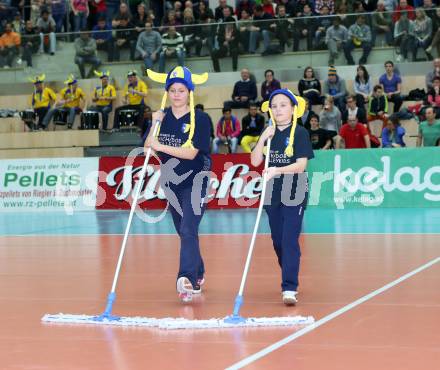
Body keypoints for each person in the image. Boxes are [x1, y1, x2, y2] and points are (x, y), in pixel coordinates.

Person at [144, 66, 211, 303]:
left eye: (181, 90)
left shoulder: (201, 119)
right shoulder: (162, 120)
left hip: (196, 180)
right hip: (172, 183)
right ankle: (199, 270)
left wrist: (160, 146)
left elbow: (192, 153)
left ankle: (187, 278)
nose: (176, 94)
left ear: (189, 92)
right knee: (185, 231)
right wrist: (154, 125)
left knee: (187, 229)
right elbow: (147, 148)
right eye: (172, 90)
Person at [250, 88, 314, 306]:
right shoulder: (268, 132)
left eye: (283, 105)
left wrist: (277, 170)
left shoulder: (301, 133)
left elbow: (301, 164)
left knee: (289, 239)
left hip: (294, 189)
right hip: (272, 192)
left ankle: (289, 287)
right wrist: (261, 140)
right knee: (278, 241)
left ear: (293, 109)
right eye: (274, 106)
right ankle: (289, 267)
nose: (278, 109)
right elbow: (256, 161)